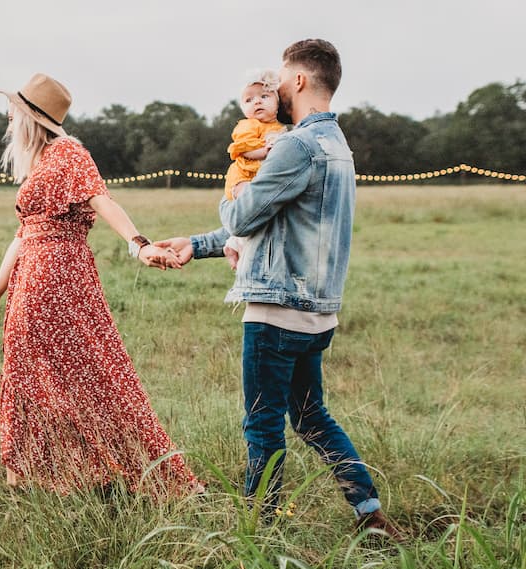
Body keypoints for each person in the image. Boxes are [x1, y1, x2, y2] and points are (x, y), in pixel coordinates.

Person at [155, 40, 404, 539]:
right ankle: (370, 513)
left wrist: (235, 192)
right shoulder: (337, 145)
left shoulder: (295, 145)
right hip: (318, 313)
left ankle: (258, 529)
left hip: (277, 311)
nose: (274, 88)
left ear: (300, 81)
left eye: (281, 78)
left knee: (262, 423)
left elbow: (245, 214)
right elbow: (276, 223)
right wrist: (197, 244)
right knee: (312, 417)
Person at [0, 73, 202, 496]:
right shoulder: (39, 162)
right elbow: (22, 236)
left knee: (89, 373)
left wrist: (138, 244)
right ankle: (41, 474)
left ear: (30, 117)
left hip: (57, 277)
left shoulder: (69, 153)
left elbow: (102, 199)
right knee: (31, 374)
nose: (6, 118)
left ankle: (113, 470)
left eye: (12, 111)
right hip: (32, 277)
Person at [222, 69, 287, 270]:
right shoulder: (248, 125)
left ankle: (234, 244)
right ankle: (237, 246)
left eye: (264, 96)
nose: (257, 102)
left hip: (258, 176)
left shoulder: (279, 127)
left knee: (260, 213)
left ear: (277, 103)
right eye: (249, 100)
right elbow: (242, 149)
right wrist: (264, 151)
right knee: (251, 204)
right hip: (243, 176)